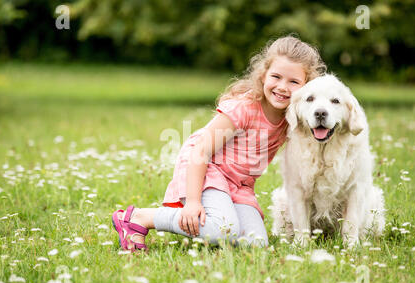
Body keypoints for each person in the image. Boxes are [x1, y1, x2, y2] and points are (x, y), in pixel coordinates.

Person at [112, 34, 326, 251]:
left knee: (256, 243)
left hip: (239, 185)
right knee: (221, 229)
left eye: (294, 82)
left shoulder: (292, 119)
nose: (282, 87)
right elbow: (200, 151)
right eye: (276, 77)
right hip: (207, 170)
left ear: (307, 88)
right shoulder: (244, 108)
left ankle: (220, 215)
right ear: (263, 75)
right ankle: (139, 217)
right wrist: (194, 202)